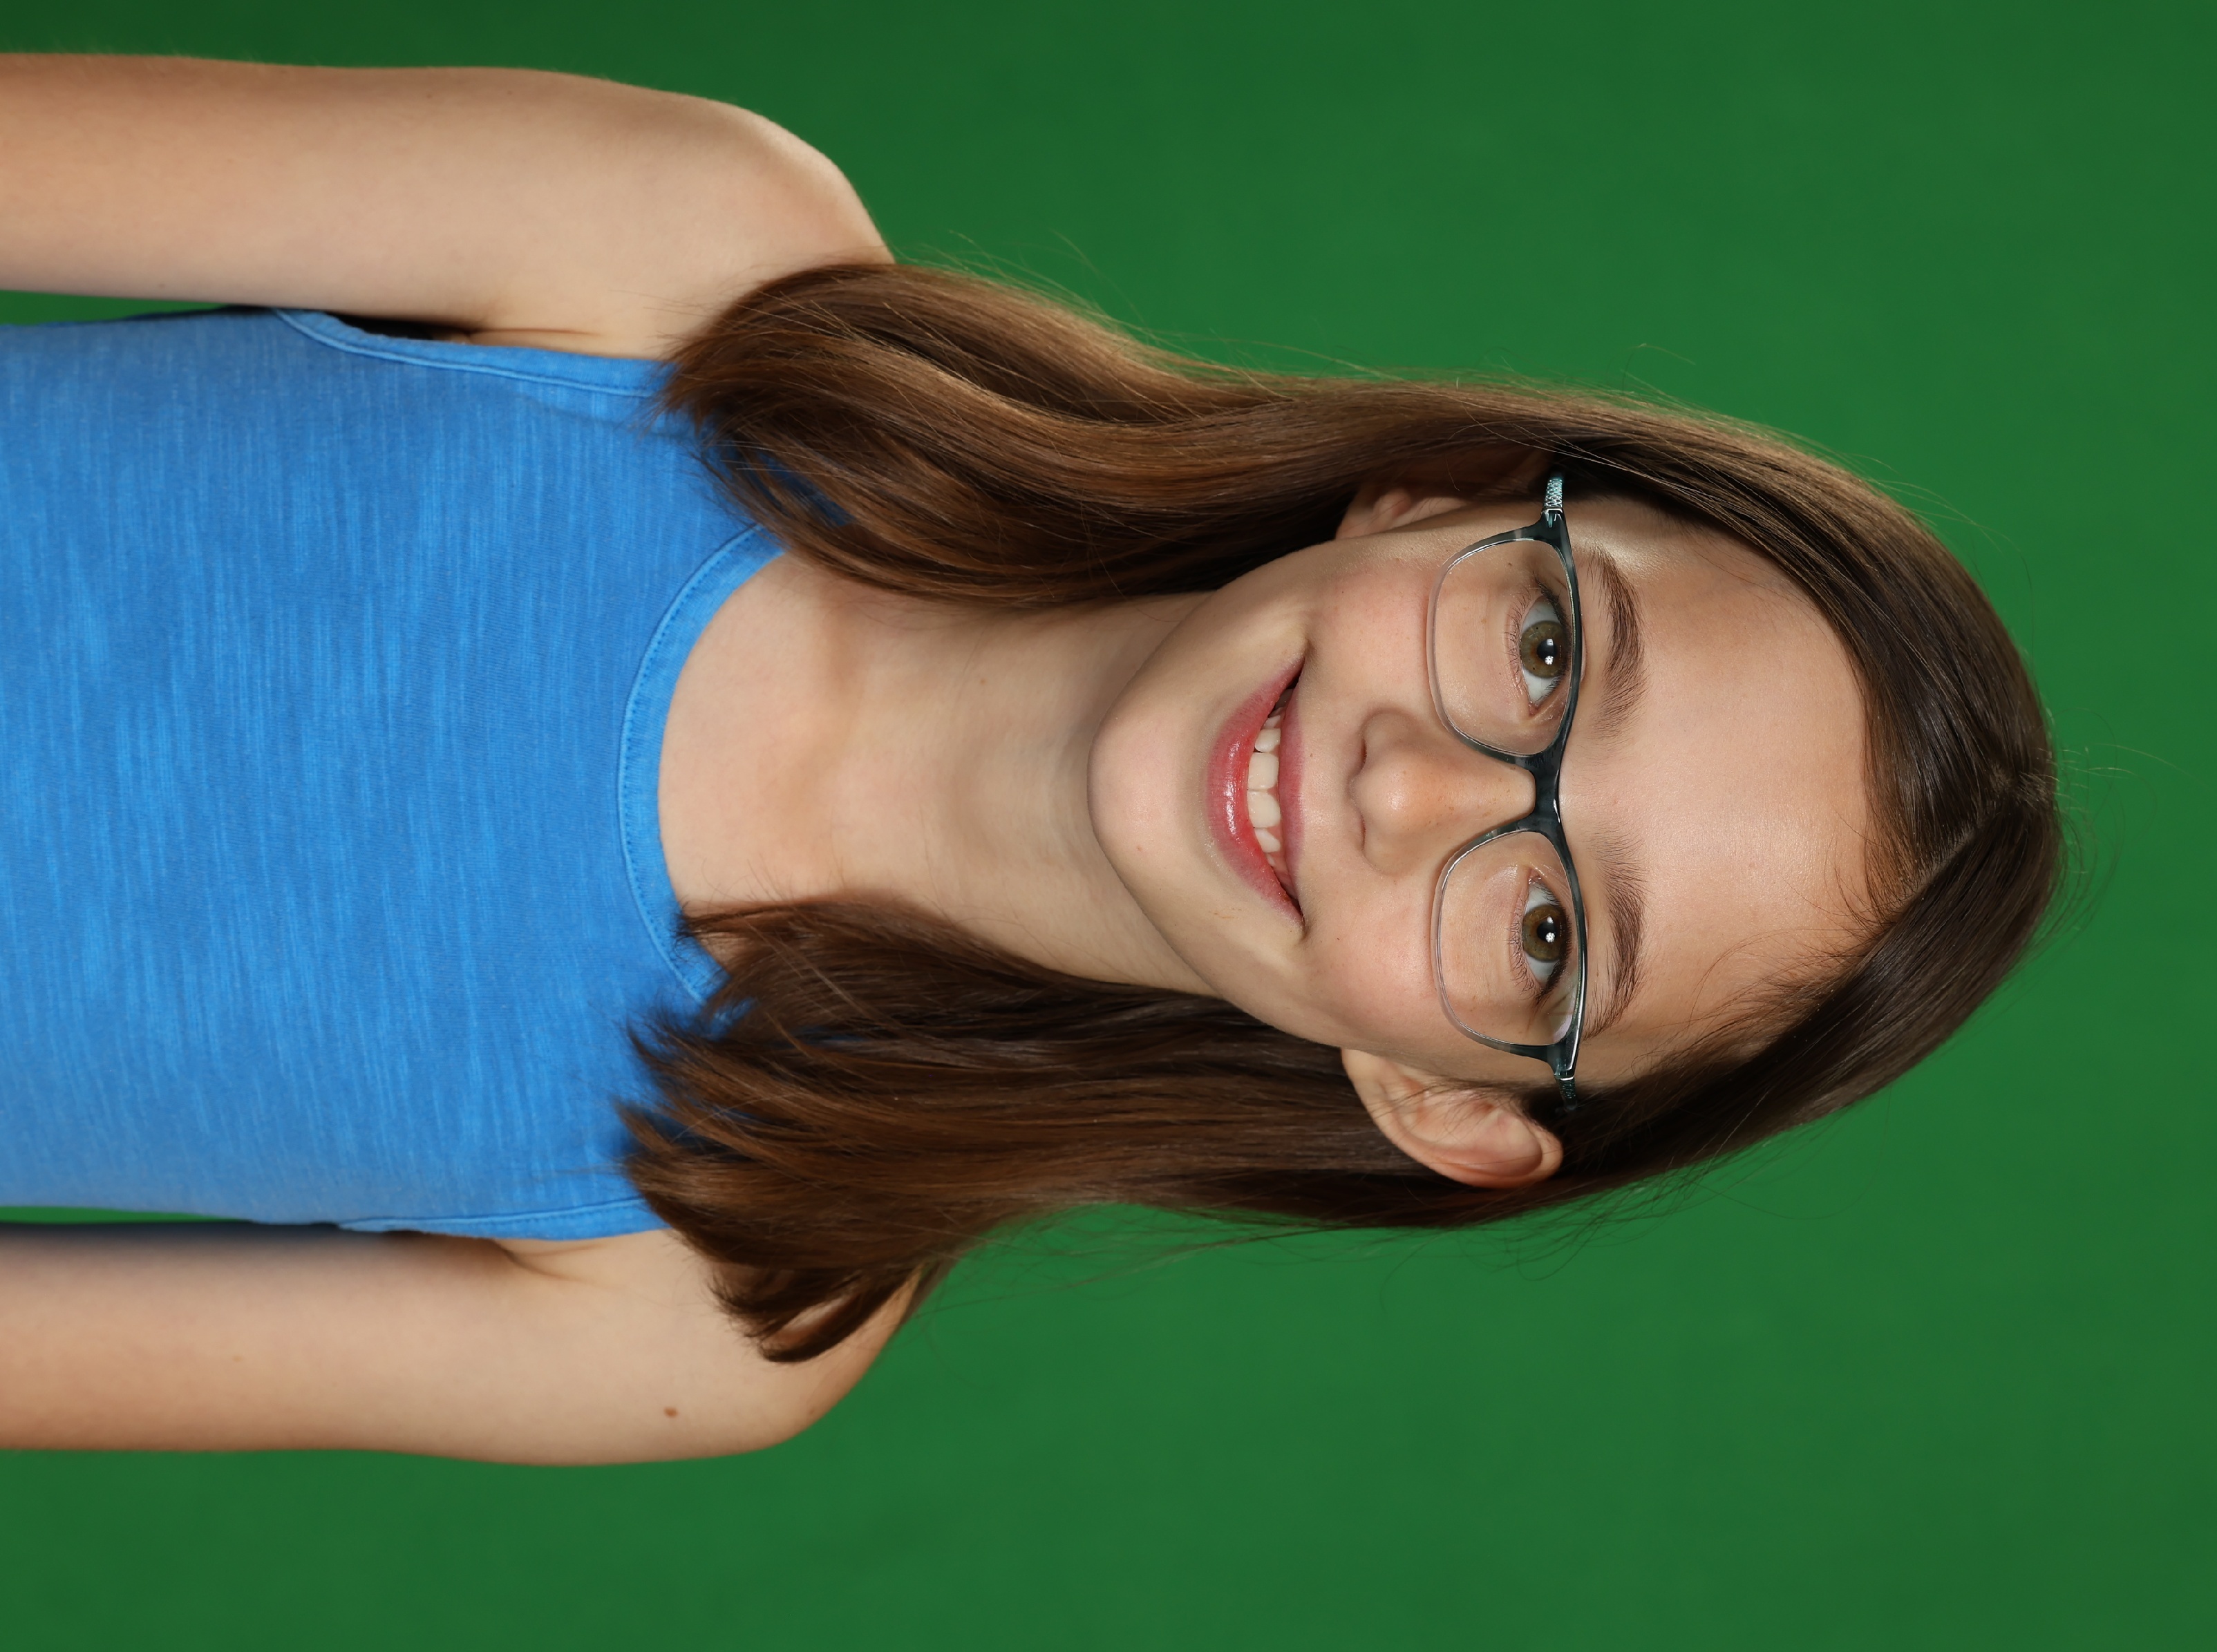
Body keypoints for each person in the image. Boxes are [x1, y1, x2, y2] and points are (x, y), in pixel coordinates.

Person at [0, 55, 2060, 1463]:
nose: (1407, 786)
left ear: (1445, 1101)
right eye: (1545, 650)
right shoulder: (667, 251)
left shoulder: (702, 1309)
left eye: (1546, 934)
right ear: (1436, 496)